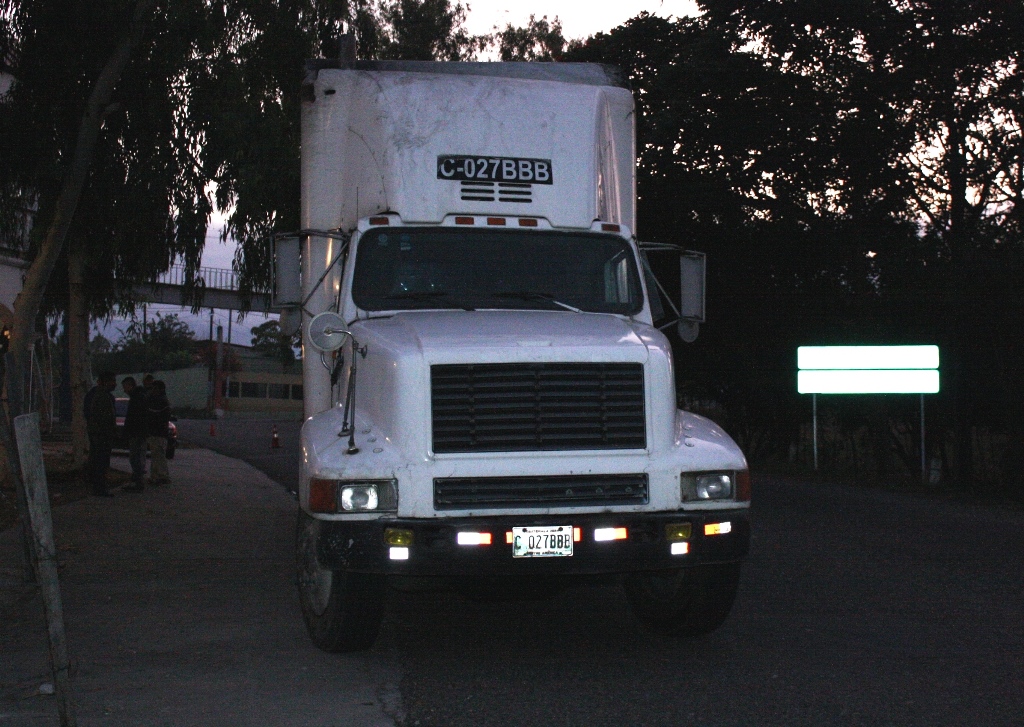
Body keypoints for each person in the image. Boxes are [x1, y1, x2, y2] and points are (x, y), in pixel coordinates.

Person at [86, 371, 117, 497]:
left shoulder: (101, 395)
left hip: (98, 434)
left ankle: (99, 486)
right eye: (112, 381)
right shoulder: (102, 396)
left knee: (99, 461)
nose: (115, 384)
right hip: (101, 435)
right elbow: (104, 419)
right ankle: (100, 487)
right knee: (101, 462)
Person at [121, 376, 147, 492]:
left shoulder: (136, 398)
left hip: (136, 432)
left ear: (130, 386)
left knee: (134, 457)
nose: (124, 390)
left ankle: (138, 482)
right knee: (138, 457)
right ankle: (137, 481)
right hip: (140, 432)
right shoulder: (140, 396)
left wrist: (128, 431)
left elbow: (133, 417)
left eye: (125, 387)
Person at [146, 379, 171, 485]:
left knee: (158, 455)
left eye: (154, 388)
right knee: (156, 455)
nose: (152, 390)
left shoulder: (160, 401)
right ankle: (155, 476)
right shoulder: (160, 400)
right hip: (158, 432)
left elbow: (153, 414)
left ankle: (162, 476)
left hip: (158, 433)